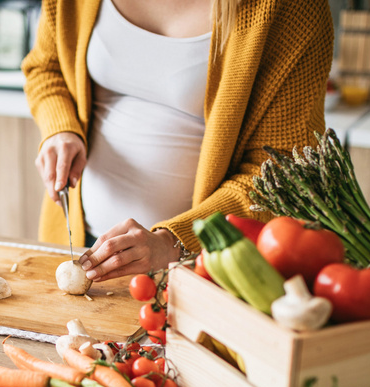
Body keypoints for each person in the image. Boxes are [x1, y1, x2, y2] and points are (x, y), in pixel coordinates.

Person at [22, 0, 333, 282]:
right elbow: (45, 68)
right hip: (79, 243)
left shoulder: (288, 8)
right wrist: (60, 128)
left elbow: (282, 171)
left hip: (204, 265)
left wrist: (174, 241)